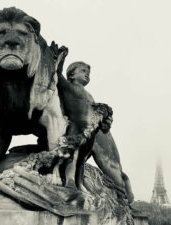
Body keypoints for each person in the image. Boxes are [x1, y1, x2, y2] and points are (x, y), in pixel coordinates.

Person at [57, 59, 134, 203]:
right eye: (83, 71)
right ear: (72, 75)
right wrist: (60, 59)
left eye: (88, 73)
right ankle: (70, 181)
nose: (87, 75)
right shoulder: (68, 86)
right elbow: (57, 74)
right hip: (75, 127)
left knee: (81, 160)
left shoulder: (88, 94)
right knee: (73, 155)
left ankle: (79, 183)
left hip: (89, 132)